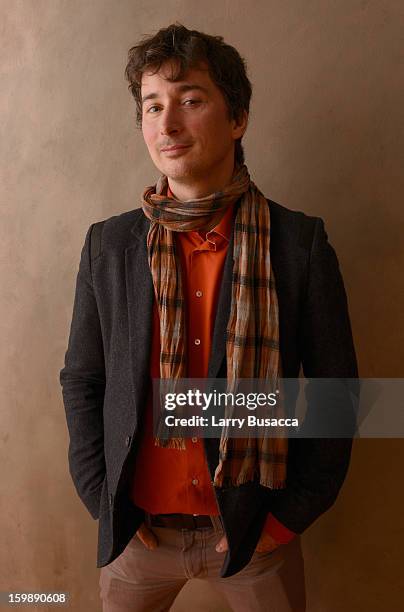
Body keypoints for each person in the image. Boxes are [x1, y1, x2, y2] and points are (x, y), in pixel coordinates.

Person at [59, 23, 358, 612]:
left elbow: (339, 394)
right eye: (152, 106)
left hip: (255, 533)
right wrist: (103, 500)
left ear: (237, 117)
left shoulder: (299, 245)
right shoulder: (109, 245)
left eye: (190, 101)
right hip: (136, 534)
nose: (167, 125)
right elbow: (82, 381)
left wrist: (288, 519)